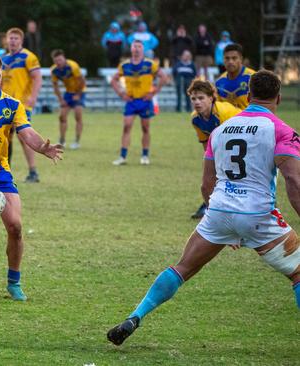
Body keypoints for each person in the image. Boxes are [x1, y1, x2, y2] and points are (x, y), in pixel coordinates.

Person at [107, 70, 300, 346]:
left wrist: (224, 223)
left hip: (219, 211)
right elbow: (294, 180)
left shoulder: (220, 131)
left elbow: (206, 184)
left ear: (248, 96)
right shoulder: (283, 131)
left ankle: (135, 316)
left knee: (182, 268)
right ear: (278, 98)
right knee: (297, 273)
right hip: (258, 215)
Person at [0, 53, 63, 301]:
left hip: (1, 174)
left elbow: (26, 132)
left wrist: (42, 147)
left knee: (15, 227)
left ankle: (13, 282)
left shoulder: (12, 105)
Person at [187, 79, 241, 219]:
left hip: (245, 140)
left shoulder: (224, 113)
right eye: (193, 98)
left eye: (201, 98)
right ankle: (211, 204)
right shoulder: (195, 119)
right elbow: (207, 146)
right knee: (212, 174)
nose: (197, 102)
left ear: (211, 98)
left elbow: (236, 141)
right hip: (226, 146)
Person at [110, 40, 167, 165]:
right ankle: (122, 157)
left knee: (145, 128)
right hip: (131, 101)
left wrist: (153, 92)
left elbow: (163, 77)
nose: (136, 49)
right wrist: (121, 94)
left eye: (139, 46)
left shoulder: (150, 64)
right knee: (126, 126)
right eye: (134, 46)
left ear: (143, 49)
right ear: (131, 49)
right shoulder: (124, 65)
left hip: (144, 100)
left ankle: (145, 156)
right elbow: (113, 80)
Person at [1, 27, 42, 182]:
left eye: (15, 38)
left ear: (21, 40)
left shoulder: (28, 57)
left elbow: (37, 78)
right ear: (6, 40)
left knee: (24, 137)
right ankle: (5, 171)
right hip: (5, 104)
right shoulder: (3, 59)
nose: (12, 41)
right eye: (10, 38)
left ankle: (33, 172)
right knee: (4, 137)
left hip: (22, 105)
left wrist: (33, 96)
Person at [50, 49, 85, 148]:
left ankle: (77, 141)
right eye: (56, 61)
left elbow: (82, 81)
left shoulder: (73, 66)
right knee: (62, 117)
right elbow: (55, 86)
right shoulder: (54, 70)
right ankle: (62, 140)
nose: (58, 62)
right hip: (68, 93)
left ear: (64, 58)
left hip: (80, 91)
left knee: (78, 116)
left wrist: (78, 94)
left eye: (60, 60)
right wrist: (61, 99)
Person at [215, 43, 255, 110]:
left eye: (234, 58)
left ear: (241, 59)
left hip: (250, 119)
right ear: (223, 60)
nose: (230, 61)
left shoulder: (253, 77)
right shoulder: (219, 83)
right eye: (227, 58)